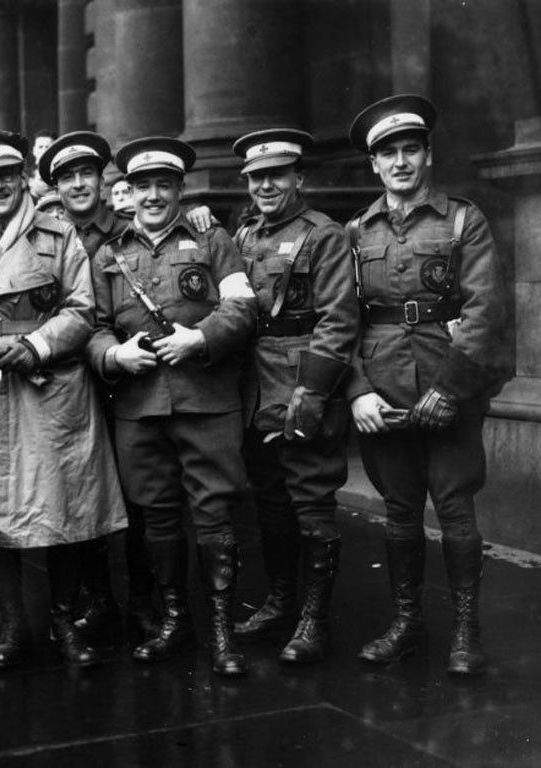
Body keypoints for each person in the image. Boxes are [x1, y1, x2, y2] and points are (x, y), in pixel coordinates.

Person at [0, 129, 126, 669]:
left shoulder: (58, 234)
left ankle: (63, 621)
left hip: (51, 383)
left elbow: (82, 309)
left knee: (63, 504)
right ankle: (13, 624)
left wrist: (37, 346)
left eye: (7, 176)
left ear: (23, 179)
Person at [346, 95, 510, 677]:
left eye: (409, 149)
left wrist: (451, 390)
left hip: (449, 387)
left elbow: (486, 313)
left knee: (456, 507)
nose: (399, 161)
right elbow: (342, 322)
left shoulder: (463, 220)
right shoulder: (356, 231)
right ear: (373, 165)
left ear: (428, 154)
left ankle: (466, 630)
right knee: (398, 510)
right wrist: (357, 392)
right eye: (386, 153)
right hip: (383, 391)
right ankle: (406, 622)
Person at [87, 136, 257, 676]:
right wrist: (114, 355)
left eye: (164, 185)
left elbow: (243, 308)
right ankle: (175, 622)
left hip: (206, 401)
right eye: (143, 187)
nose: (153, 195)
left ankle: (222, 633)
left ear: (180, 189)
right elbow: (90, 327)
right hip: (139, 407)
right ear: (127, 193)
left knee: (214, 516)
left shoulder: (214, 240)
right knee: (156, 516)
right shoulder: (109, 257)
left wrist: (200, 340)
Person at [228, 129, 358, 663]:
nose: (265, 186)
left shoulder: (323, 235)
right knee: (270, 500)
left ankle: (314, 618)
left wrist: (313, 392)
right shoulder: (244, 237)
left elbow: (338, 319)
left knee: (312, 500)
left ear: (298, 178)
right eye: (256, 178)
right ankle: (281, 601)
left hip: (302, 381)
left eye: (275, 176)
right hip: (255, 387)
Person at [36, 130, 147, 648]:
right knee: (78, 494)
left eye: (86, 173)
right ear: (55, 187)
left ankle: (144, 602)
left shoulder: (128, 230)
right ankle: (97, 600)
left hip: (125, 379)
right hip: (66, 384)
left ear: (104, 179)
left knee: (139, 497)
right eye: (66, 177)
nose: (77, 184)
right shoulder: (46, 237)